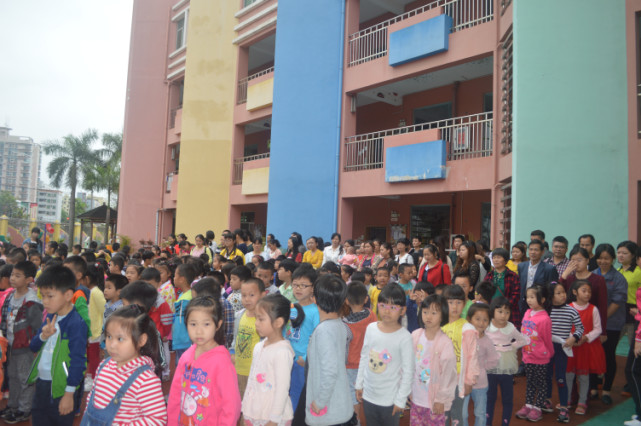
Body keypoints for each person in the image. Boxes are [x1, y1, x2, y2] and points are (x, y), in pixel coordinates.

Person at [82, 305, 166, 425]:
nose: (112, 345)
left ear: (141, 340)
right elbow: (92, 396)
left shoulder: (146, 380)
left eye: (120, 339)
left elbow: (158, 419)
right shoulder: (104, 365)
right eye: (109, 337)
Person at [28, 265, 88, 426]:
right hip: (42, 383)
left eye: (50, 296)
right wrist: (43, 336)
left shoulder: (76, 324)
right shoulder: (50, 317)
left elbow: (78, 361)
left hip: (62, 387)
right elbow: (33, 347)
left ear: (68, 295)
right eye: (43, 296)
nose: (44, 301)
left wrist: (69, 394)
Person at [168, 297, 240, 425]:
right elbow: (175, 395)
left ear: (218, 325)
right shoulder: (186, 356)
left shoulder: (221, 362)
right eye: (193, 324)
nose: (199, 331)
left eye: (206, 324)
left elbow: (231, 405)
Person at [242, 294, 301, 425]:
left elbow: (282, 389)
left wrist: (274, 419)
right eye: (256, 318)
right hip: (254, 412)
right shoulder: (259, 346)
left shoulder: (282, 352)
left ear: (278, 322)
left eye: (261, 319)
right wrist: (245, 409)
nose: (256, 323)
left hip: (273, 417)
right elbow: (252, 379)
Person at [306, 274, 354, 426]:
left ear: (315, 299)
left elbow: (330, 371)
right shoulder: (339, 324)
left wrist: (320, 401)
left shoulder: (324, 330)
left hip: (329, 409)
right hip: (338, 404)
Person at [0, 261, 43, 423]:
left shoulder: (32, 301)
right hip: (11, 344)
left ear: (29, 279)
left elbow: (37, 326)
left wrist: (35, 346)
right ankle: (13, 405)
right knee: (12, 376)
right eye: (12, 274)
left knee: (25, 378)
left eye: (17, 276)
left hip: (25, 347)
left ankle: (24, 409)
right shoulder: (10, 295)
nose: (12, 278)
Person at [409, 294, 456, 426]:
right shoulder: (415, 335)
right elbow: (408, 365)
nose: (428, 316)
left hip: (434, 401)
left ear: (442, 316)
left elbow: (448, 375)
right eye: (425, 312)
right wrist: (408, 389)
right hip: (416, 398)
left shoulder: (445, 343)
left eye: (434, 313)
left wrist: (441, 399)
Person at [486, 297, 529, 426]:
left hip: (506, 366)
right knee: (490, 398)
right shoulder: (487, 326)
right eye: (500, 311)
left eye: (507, 312)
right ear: (493, 311)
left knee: (507, 398)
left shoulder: (511, 328)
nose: (503, 315)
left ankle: (505, 423)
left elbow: (523, 340)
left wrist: (511, 347)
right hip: (490, 367)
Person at [440, 284, 479, 426]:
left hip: (457, 379)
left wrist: (469, 381)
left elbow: (472, 357)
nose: (454, 306)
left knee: (457, 415)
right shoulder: (438, 326)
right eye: (450, 302)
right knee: (441, 415)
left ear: (464, 304)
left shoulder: (467, 328)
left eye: (458, 302)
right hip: (440, 379)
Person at [594, 243, 628, 404]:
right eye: (600, 258)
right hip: (593, 324)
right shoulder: (593, 274)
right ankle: (594, 388)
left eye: (607, 258)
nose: (603, 261)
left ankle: (606, 390)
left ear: (613, 259)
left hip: (611, 324)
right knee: (593, 355)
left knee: (608, 355)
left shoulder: (618, 278)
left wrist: (601, 319)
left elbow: (617, 302)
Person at [566, 280, 606, 416]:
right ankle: (567, 399)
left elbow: (598, 329)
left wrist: (585, 338)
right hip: (571, 347)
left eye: (589, 291)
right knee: (568, 375)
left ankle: (582, 402)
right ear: (575, 292)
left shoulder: (593, 309)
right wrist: (573, 338)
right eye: (584, 291)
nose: (587, 294)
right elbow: (564, 327)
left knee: (584, 376)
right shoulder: (568, 308)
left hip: (586, 348)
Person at [546, 282, 584, 423]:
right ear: (551, 296)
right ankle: (547, 400)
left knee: (561, 378)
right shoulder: (546, 310)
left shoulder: (571, 310)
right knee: (547, 375)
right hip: (547, 348)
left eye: (563, 292)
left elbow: (580, 328)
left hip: (562, 349)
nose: (563, 295)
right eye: (558, 293)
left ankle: (563, 407)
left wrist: (573, 338)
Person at [516, 284, 553, 422]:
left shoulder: (545, 319)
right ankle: (528, 405)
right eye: (528, 297)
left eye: (532, 297)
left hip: (540, 357)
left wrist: (548, 353)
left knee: (541, 383)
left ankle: (537, 408)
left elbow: (547, 339)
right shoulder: (527, 313)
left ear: (542, 299)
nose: (529, 300)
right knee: (530, 382)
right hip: (528, 356)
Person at [343, 282, 378, 422]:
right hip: (369, 363)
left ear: (346, 300)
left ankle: (356, 420)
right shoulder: (371, 315)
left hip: (351, 365)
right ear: (366, 299)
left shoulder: (344, 323)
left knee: (353, 394)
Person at [286, 266, 319, 410]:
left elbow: (317, 339)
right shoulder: (291, 308)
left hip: (301, 362)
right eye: (295, 285)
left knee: (298, 395)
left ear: (313, 288)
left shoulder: (316, 311)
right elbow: (284, 332)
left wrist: (305, 358)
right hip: (287, 358)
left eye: (303, 285)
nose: (298, 289)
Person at [231, 277, 266, 403]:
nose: (247, 299)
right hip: (239, 369)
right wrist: (232, 352)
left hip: (255, 371)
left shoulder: (264, 318)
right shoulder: (239, 315)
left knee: (253, 403)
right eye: (244, 295)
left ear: (263, 295)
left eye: (252, 295)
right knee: (239, 401)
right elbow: (235, 338)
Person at [560, 246, 608, 337]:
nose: (576, 263)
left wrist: (603, 332)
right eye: (573, 260)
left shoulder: (598, 280)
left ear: (587, 260)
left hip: (591, 321)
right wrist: (564, 276)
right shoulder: (569, 279)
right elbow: (556, 293)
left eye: (579, 260)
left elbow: (602, 306)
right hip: (570, 323)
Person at [465, 303, 499, 426]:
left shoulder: (487, 341)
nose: (481, 323)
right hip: (463, 381)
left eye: (485, 320)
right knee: (462, 414)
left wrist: (482, 369)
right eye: (477, 319)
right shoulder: (464, 337)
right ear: (469, 319)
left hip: (480, 383)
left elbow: (494, 360)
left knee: (480, 413)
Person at [517, 240, 559, 318]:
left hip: (540, 305)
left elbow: (551, 289)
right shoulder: (521, 266)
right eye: (531, 249)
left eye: (536, 250)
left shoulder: (549, 269)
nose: (533, 252)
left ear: (542, 252)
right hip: (524, 303)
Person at [485, 247, 521, 327]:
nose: (495, 260)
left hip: (508, 312)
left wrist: (505, 307)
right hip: (492, 311)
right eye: (494, 258)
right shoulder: (489, 276)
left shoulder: (512, 276)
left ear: (505, 260)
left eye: (498, 257)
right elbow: (485, 293)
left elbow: (516, 294)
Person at [84, 264, 106, 392]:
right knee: (88, 355)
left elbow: (104, 311)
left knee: (93, 356)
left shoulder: (96, 292)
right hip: (88, 330)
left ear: (87, 278)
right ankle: (89, 376)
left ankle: (93, 378)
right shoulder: (87, 292)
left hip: (94, 331)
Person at [172, 263, 197, 364]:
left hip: (184, 339)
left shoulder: (188, 297)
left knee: (184, 365)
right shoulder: (183, 294)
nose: (173, 278)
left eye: (175, 275)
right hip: (181, 338)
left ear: (182, 279)